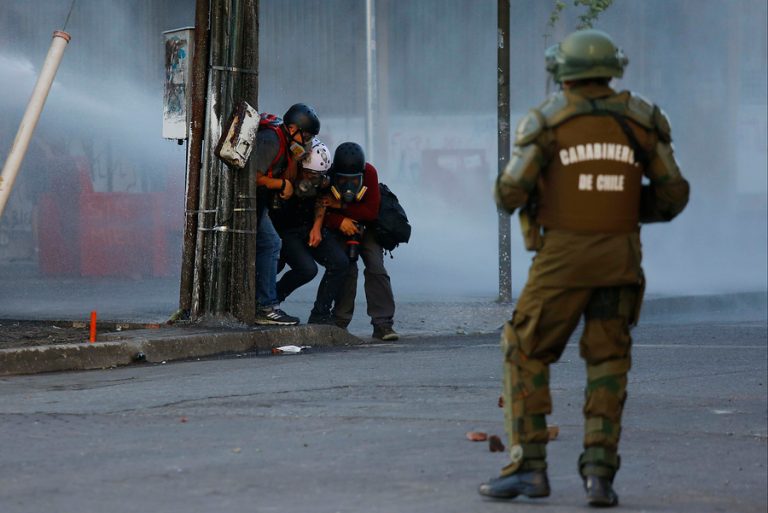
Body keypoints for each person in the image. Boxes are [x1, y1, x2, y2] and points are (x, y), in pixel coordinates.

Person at [478, 29, 690, 507]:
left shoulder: (548, 120)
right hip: (621, 259)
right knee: (608, 361)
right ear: (611, 68)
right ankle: (600, 475)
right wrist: (624, 207)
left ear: (563, 74)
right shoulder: (643, 120)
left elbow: (508, 193)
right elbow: (674, 194)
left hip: (562, 261)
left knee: (524, 349)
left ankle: (529, 468)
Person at [321, 142, 399, 341]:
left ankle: (383, 324)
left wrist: (341, 207)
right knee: (347, 268)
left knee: (376, 267)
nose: (348, 186)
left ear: (362, 174)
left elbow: (371, 212)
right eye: (343, 181)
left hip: (368, 227)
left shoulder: (370, 173)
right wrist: (340, 221)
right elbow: (321, 211)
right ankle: (339, 323)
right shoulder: (326, 176)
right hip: (338, 227)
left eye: (354, 181)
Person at [253, 103, 320, 325]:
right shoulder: (270, 140)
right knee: (271, 244)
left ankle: (261, 302)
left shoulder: (285, 143)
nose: (308, 141)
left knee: (270, 245)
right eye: (306, 135)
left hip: (259, 205)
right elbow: (252, 176)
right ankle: (266, 307)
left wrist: (293, 156)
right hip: (248, 205)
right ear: (292, 129)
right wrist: (281, 184)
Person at [271, 138, 350, 323]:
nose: (315, 181)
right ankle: (270, 300)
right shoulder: (287, 173)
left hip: (308, 226)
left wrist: (316, 227)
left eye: (319, 176)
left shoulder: (321, 179)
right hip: (286, 230)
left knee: (339, 262)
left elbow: (322, 199)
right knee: (307, 269)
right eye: (311, 175)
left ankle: (320, 314)